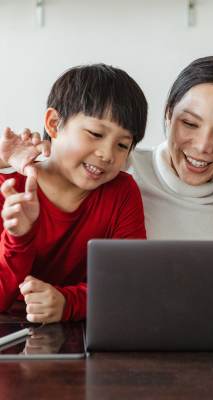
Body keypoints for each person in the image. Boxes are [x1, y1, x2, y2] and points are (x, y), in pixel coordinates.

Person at [0, 56, 213, 240]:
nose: (203, 146)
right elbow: (55, 165)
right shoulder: (116, 166)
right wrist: (8, 160)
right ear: (169, 114)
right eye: (190, 123)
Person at [0, 63, 147, 323]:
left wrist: (67, 303)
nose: (107, 154)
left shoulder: (123, 192)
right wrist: (18, 238)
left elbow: (129, 285)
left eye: (122, 145)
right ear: (54, 124)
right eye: (95, 134)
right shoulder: (9, 189)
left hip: (83, 331)